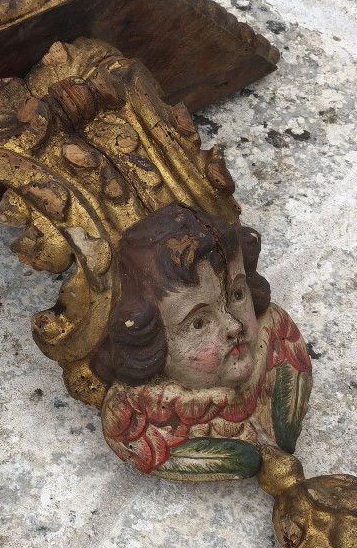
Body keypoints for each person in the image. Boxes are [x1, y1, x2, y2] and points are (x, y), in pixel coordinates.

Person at [94, 203, 312, 481]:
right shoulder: (136, 415)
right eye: (198, 323)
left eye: (237, 295)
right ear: (150, 343)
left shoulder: (275, 340)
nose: (234, 326)